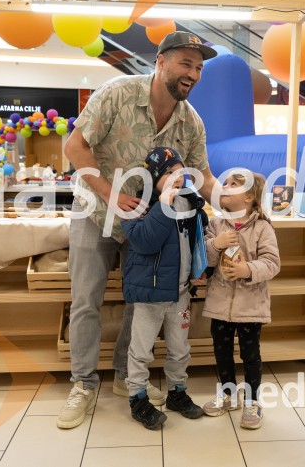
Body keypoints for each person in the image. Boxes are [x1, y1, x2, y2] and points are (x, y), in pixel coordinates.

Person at [58, 31, 219, 430]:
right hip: (95, 212)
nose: (193, 73)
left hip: (147, 227)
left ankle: (123, 379)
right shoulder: (117, 93)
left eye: (198, 67)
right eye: (186, 63)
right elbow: (75, 146)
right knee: (86, 302)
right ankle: (82, 383)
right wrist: (110, 194)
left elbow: (204, 176)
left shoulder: (191, 121)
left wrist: (239, 196)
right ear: (161, 61)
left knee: (141, 303)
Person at [121, 147, 207, 429]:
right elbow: (145, 241)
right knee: (141, 349)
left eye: (180, 172)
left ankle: (177, 392)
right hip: (149, 294)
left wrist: (201, 270)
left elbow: (197, 240)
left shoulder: (189, 203)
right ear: (154, 176)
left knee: (180, 348)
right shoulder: (138, 205)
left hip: (180, 291)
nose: (177, 178)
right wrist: (163, 205)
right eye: (169, 172)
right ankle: (137, 396)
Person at [201, 171, 281, 429]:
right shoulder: (216, 225)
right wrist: (216, 244)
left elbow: (272, 263)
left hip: (251, 306)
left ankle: (253, 400)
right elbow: (206, 259)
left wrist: (248, 270)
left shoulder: (262, 227)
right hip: (220, 304)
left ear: (249, 197)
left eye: (233, 185)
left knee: (250, 354)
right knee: (222, 353)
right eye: (225, 183)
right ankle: (228, 395)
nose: (224, 187)